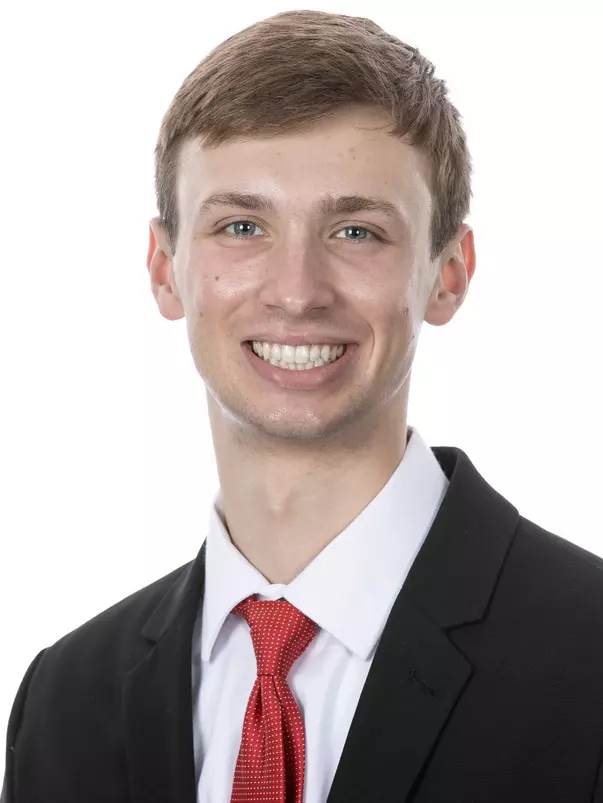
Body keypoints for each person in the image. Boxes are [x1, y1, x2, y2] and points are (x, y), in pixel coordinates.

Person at [3, 9, 603, 803]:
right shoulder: (63, 699)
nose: (295, 291)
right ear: (164, 268)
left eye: (356, 231)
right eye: (241, 225)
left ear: (448, 274)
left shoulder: (589, 655)